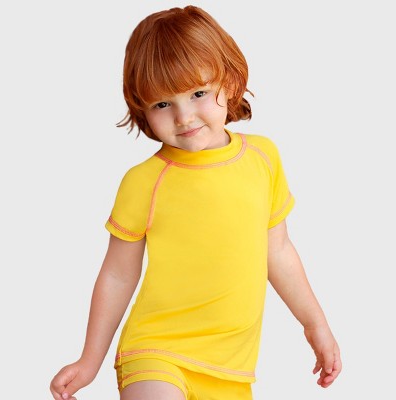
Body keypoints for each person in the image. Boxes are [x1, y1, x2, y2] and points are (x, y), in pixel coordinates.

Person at [50, 5, 342, 400]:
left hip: (231, 369)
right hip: (155, 351)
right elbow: (117, 275)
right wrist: (89, 360)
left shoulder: (263, 158)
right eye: (162, 104)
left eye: (198, 94)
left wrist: (315, 324)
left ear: (230, 81)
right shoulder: (144, 181)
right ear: (142, 109)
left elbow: (278, 251)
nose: (184, 117)